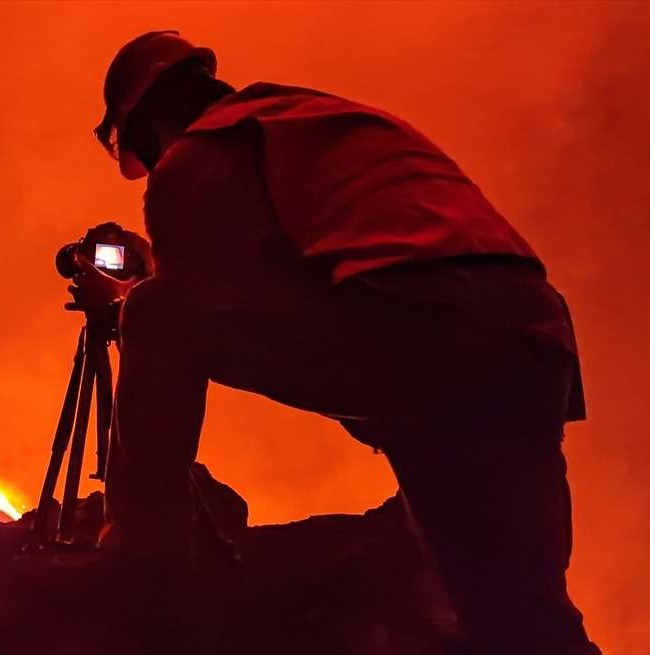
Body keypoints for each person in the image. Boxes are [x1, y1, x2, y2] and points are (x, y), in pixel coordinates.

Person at [83, 30, 599, 655]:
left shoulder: (206, 148)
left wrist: (137, 292)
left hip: (414, 330)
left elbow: (199, 299)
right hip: (531, 341)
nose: (154, 162)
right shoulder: (313, 118)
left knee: (154, 313)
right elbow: (309, 265)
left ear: (152, 118)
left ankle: (142, 576)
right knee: (517, 610)